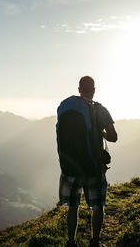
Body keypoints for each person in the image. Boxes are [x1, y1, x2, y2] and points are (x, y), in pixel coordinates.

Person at [56, 76, 117, 247]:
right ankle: (95, 242)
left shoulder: (64, 107)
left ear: (79, 89)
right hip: (93, 168)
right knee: (97, 207)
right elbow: (113, 137)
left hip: (70, 167)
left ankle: (71, 242)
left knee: (73, 207)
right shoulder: (99, 110)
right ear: (94, 90)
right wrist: (101, 134)